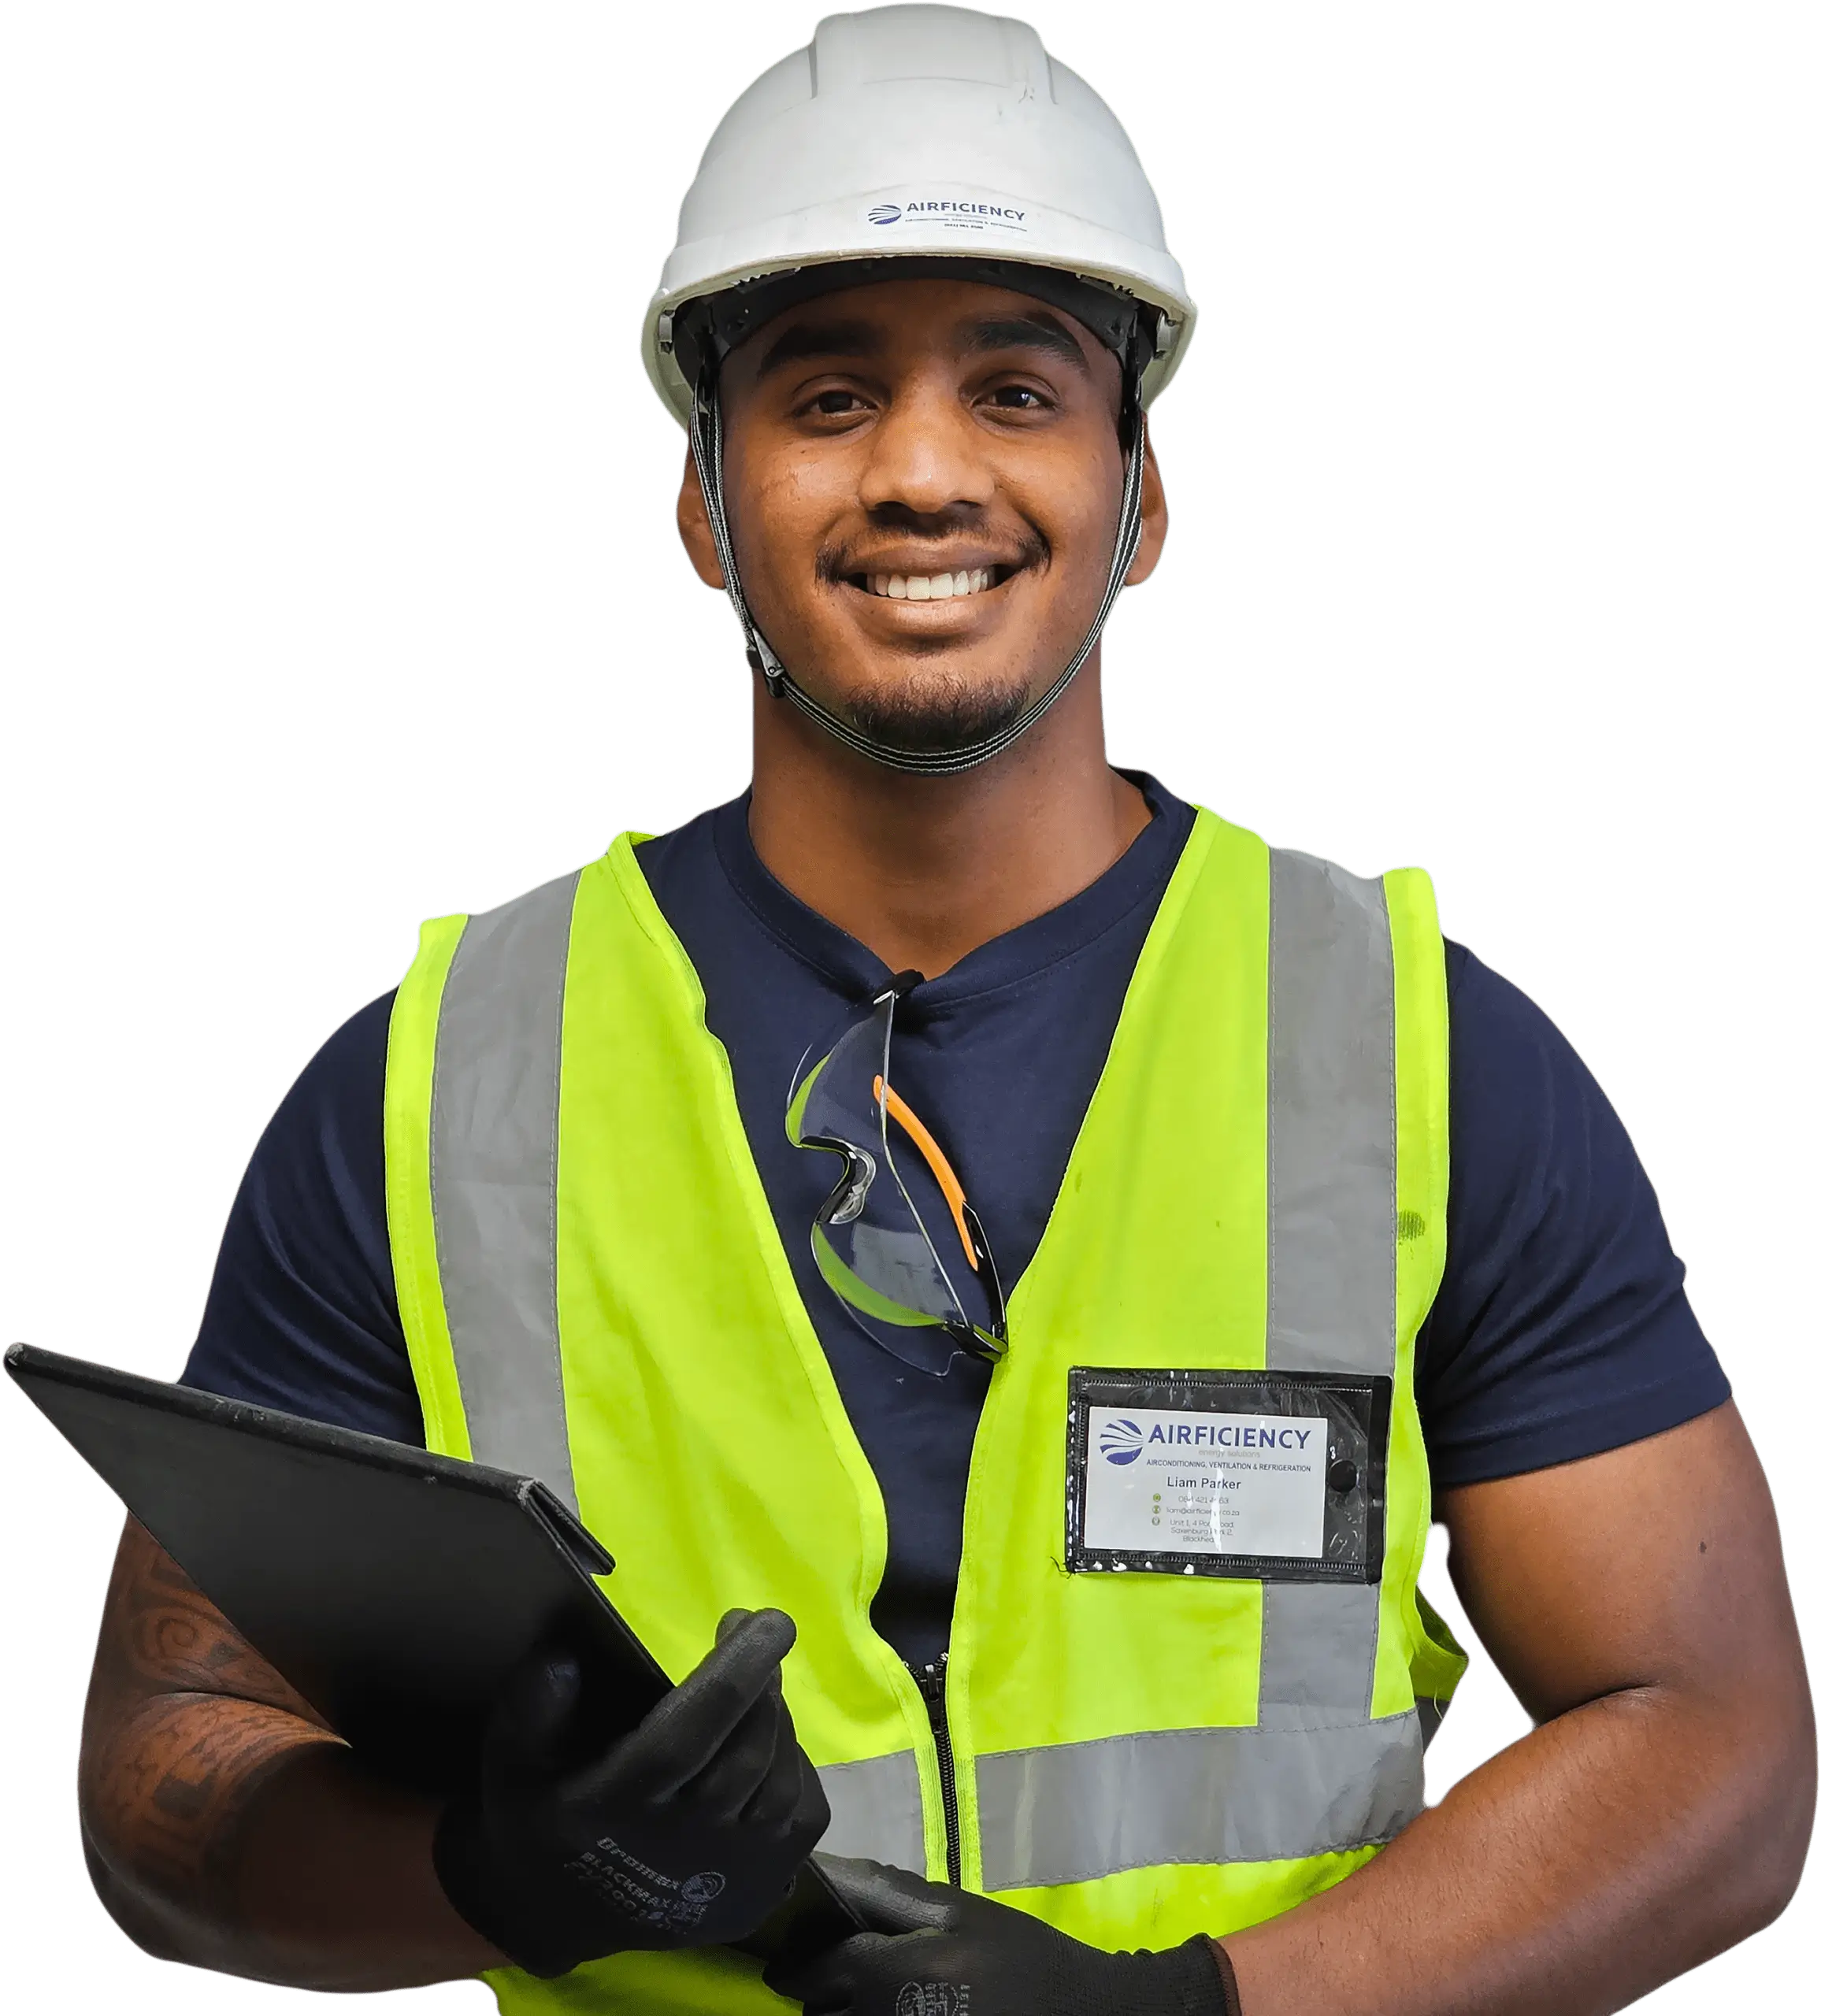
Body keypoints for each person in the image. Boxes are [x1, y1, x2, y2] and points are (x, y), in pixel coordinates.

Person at [76, 8, 1813, 2014]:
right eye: (826, 397)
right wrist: (494, 1870)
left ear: (1138, 499)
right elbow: (164, 1780)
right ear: (701, 507)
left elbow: (1716, 1752)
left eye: (1015, 388)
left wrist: (1190, 2009)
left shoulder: (1413, 1054)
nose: (919, 471)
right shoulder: (441, 1082)